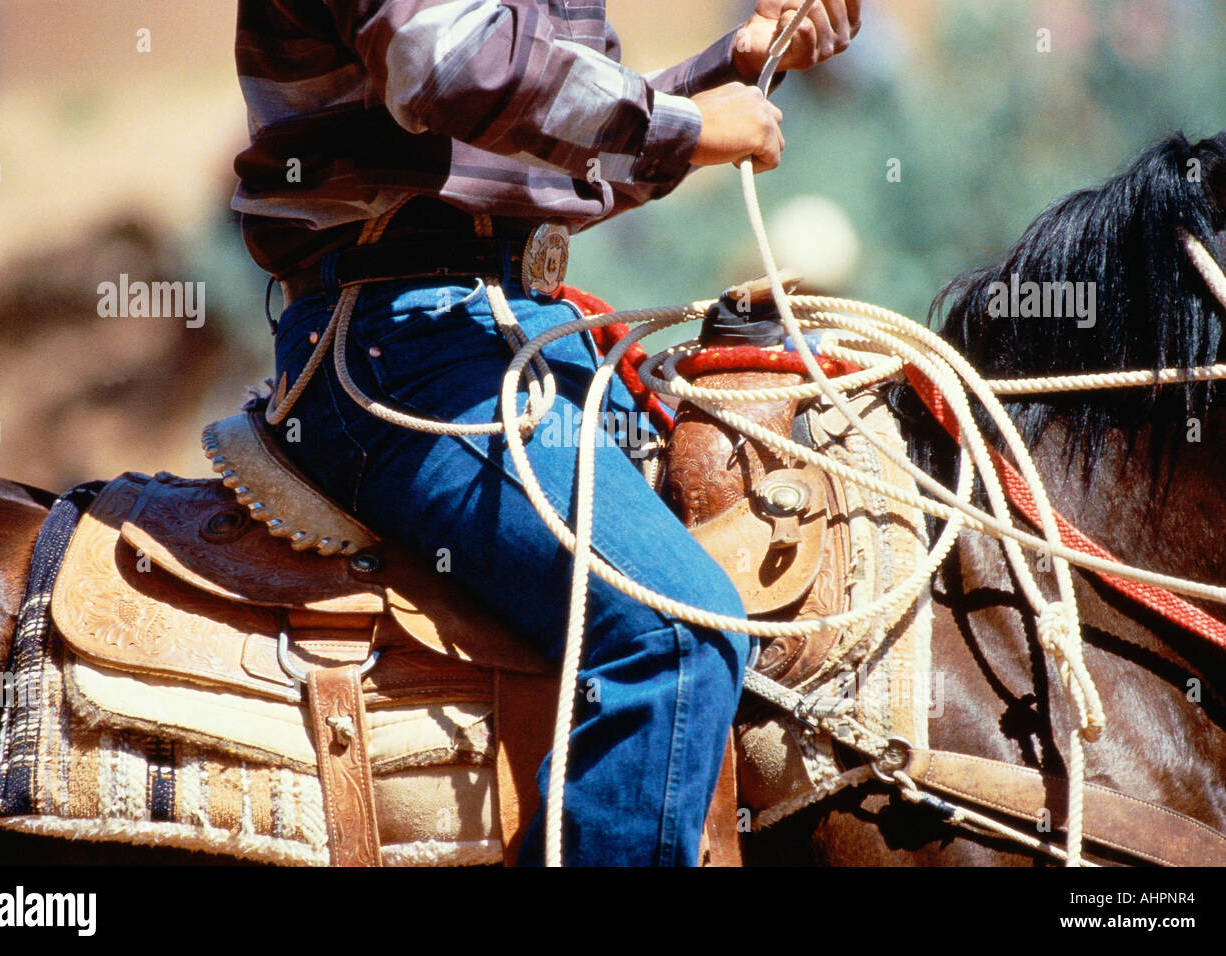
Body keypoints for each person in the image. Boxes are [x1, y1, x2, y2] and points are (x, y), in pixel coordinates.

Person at [232, 0, 861, 866]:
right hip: (400, 347)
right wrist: (680, 124)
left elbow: (569, 164)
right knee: (680, 632)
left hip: (516, 337)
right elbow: (443, 65)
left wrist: (738, 63)